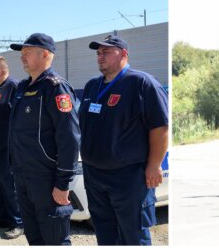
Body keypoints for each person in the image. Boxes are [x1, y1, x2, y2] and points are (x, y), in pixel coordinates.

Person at [79, 33, 169, 245]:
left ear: (124, 54)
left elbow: (160, 127)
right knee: (105, 233)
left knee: (133, 235)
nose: (100, 56)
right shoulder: (93, 86)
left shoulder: (142, 83)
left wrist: (154, 165)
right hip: (94, 175)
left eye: (106, 52)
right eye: (99, 53)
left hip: (128, 178)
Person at [9, 33, 81, 246]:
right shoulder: (23, 88)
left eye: (28, 53)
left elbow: (69, 136)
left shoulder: (55, 87)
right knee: (35, 238)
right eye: (22, 53)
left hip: (46, 179)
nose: (22, 57)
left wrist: (63, 182)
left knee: (54, 239)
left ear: (46, 55)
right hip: (23, 176)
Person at [0, 56, 24, 239]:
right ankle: (1, 217)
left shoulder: (14, 87)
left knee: (10, 187)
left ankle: (18, 222)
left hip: (7, 148)